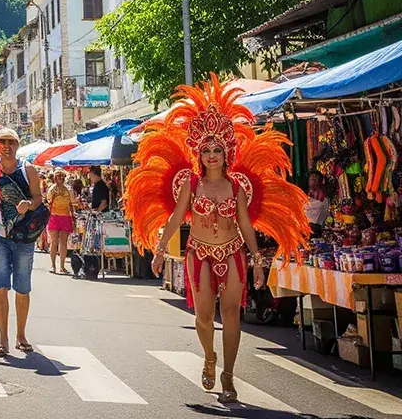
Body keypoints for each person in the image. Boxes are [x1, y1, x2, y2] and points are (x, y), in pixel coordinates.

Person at [126, 78, 308, 405]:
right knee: (205, 316)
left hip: (233, 251)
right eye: (207, 150)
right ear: (200, 153)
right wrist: (158, 249)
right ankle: (208, 355)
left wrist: (256, 260)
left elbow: (245, 225)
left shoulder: (236, 187)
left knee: (232, 314)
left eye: (217, 150)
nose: (212, 155)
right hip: (199, 252)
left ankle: (228, 374)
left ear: (227, 153)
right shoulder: (191, 185)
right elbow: (174, 219)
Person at [0, 127, 42, 357]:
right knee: (0, 287)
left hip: (23, 236)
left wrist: (28, 205)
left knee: (22, 287)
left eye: (11, 141)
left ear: (17, 145)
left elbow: (38, 197)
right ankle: (3, 339)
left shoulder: (27, 168)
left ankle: (21, 335)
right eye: (2, 141)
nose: (6, 145)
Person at [47, 171, 74, 273]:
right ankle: (53, 265)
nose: (60, 178)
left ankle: (62, 266)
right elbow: (48, 202)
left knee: (63, 243)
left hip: (65, 216)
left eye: (62, 176)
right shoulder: (52, 189)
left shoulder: (68, 189)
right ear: (55, 177)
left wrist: (73, 214)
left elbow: (71, 203)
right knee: (54, 242)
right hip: (54, 216)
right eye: (58, 176)